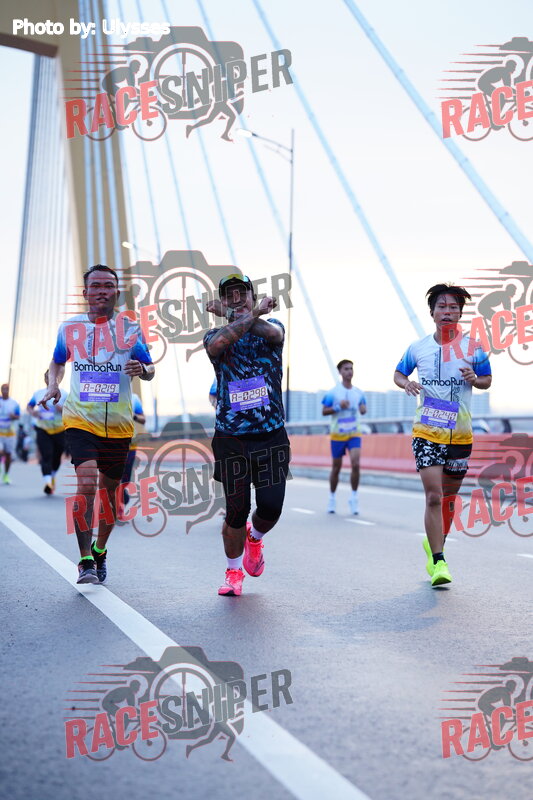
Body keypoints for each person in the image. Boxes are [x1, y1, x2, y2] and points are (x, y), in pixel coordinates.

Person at [39, 265, 155, 584]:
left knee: (109, 494)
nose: (102, 290)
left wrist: (142, 370)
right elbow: (57, 361)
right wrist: (53, 385)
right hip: (80, 418)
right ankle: (85, 560)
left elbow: (150, 368)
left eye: (108, 285)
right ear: (85, 292)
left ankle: (100, 549)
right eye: (96, 285)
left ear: (116, 292)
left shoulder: (130, 328)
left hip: (119, 424)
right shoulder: (70, 328)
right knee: (87, 482)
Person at [394, 283, 492, 587]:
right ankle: (438, 561)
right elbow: (398, 373)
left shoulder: (474, 348)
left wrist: (475, 378)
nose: (447, 312)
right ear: (432, 312)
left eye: (453, 308)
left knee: (449, 500)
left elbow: (487, 380)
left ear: (460, 313)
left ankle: (435, 545)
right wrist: (406, 383)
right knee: (434, 496)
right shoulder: (418, 348)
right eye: (441, 307)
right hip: (427, 430)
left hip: (460, 434)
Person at [204, 274, 291, 597]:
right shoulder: (214, 335)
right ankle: (233, 572)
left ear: (253, 296)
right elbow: (217, 345)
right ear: (222, 301)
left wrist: (242, 315)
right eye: (229, 295)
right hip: (231, 438)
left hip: (271, 434)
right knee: (236, 511)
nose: (237, 298)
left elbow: (273, 333)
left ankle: (255, 538)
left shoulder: (273, 327)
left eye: (243, 293)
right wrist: (245, 314)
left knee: (271, 508)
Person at [322, 360, 367, 514]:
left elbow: (363, 409)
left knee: (356, 464)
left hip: (354, 433)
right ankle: (332, 497)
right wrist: (338, 406)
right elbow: (324, 411)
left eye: (351, 368)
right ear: (340, 372)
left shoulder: (359, 392)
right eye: (346, 369)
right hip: (337, 434)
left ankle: (354, 497)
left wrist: (362, 408)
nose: (349, 371)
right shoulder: (333, 392)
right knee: (336, 468)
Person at [27, 370, 68, 494]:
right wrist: (33, 412)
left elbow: (70, 410)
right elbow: (29, 406)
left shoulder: (64, 394)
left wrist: (60, 408)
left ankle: (52, 476)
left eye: (52, 377)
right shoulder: (38, 393)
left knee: (56, 457)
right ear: (44, 379)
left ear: (57, 379)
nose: (49, 379)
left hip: (60, 430)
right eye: (47, 377)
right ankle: (48, 483)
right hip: (43, 429)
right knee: (46, 455)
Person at [118, 392, 145, 514]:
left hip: (130, 444)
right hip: (110, 443)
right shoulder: (108, 393)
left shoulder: (134, 398)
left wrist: (134, 416)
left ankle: (122, 498)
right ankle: (117, 506)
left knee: (125, 479)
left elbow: (143, 419)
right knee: (112, 476)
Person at [0, 384, 20, 484]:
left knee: (8, 454)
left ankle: (6, 475)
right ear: (1, 390)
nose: (5, 391)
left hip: (10, 433)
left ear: (9, 390)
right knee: (0, 451)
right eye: (3, 389)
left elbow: (18, 416)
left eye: (6, 389)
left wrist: (13, 416)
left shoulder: (14, 403)